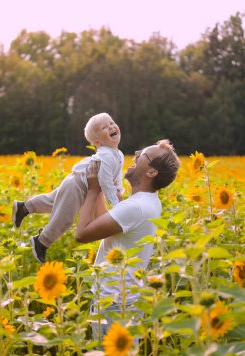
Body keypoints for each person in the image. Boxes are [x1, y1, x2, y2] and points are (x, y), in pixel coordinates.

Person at [75, 139, 180, 340]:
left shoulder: (134, 207)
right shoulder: (147, 202)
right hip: (124, 300)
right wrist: (103, 184)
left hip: (114, 304)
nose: (137, 152)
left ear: (152, 172)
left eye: (144, 155)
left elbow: (82, 234)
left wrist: (93, 189)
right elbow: (103, 225)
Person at [12, 112, 124, 264]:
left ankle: (23, 207)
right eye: (104, 127)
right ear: (97, 142)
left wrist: (119, 189)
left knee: (52, 201)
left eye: (111, 123)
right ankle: (42, 241)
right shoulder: (106, 155)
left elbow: (115, 177)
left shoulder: (118, 154)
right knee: (64, 218)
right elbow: (105, 182)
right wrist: (116, 205)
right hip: (77, 186)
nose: (111, 126)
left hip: (76, 181)